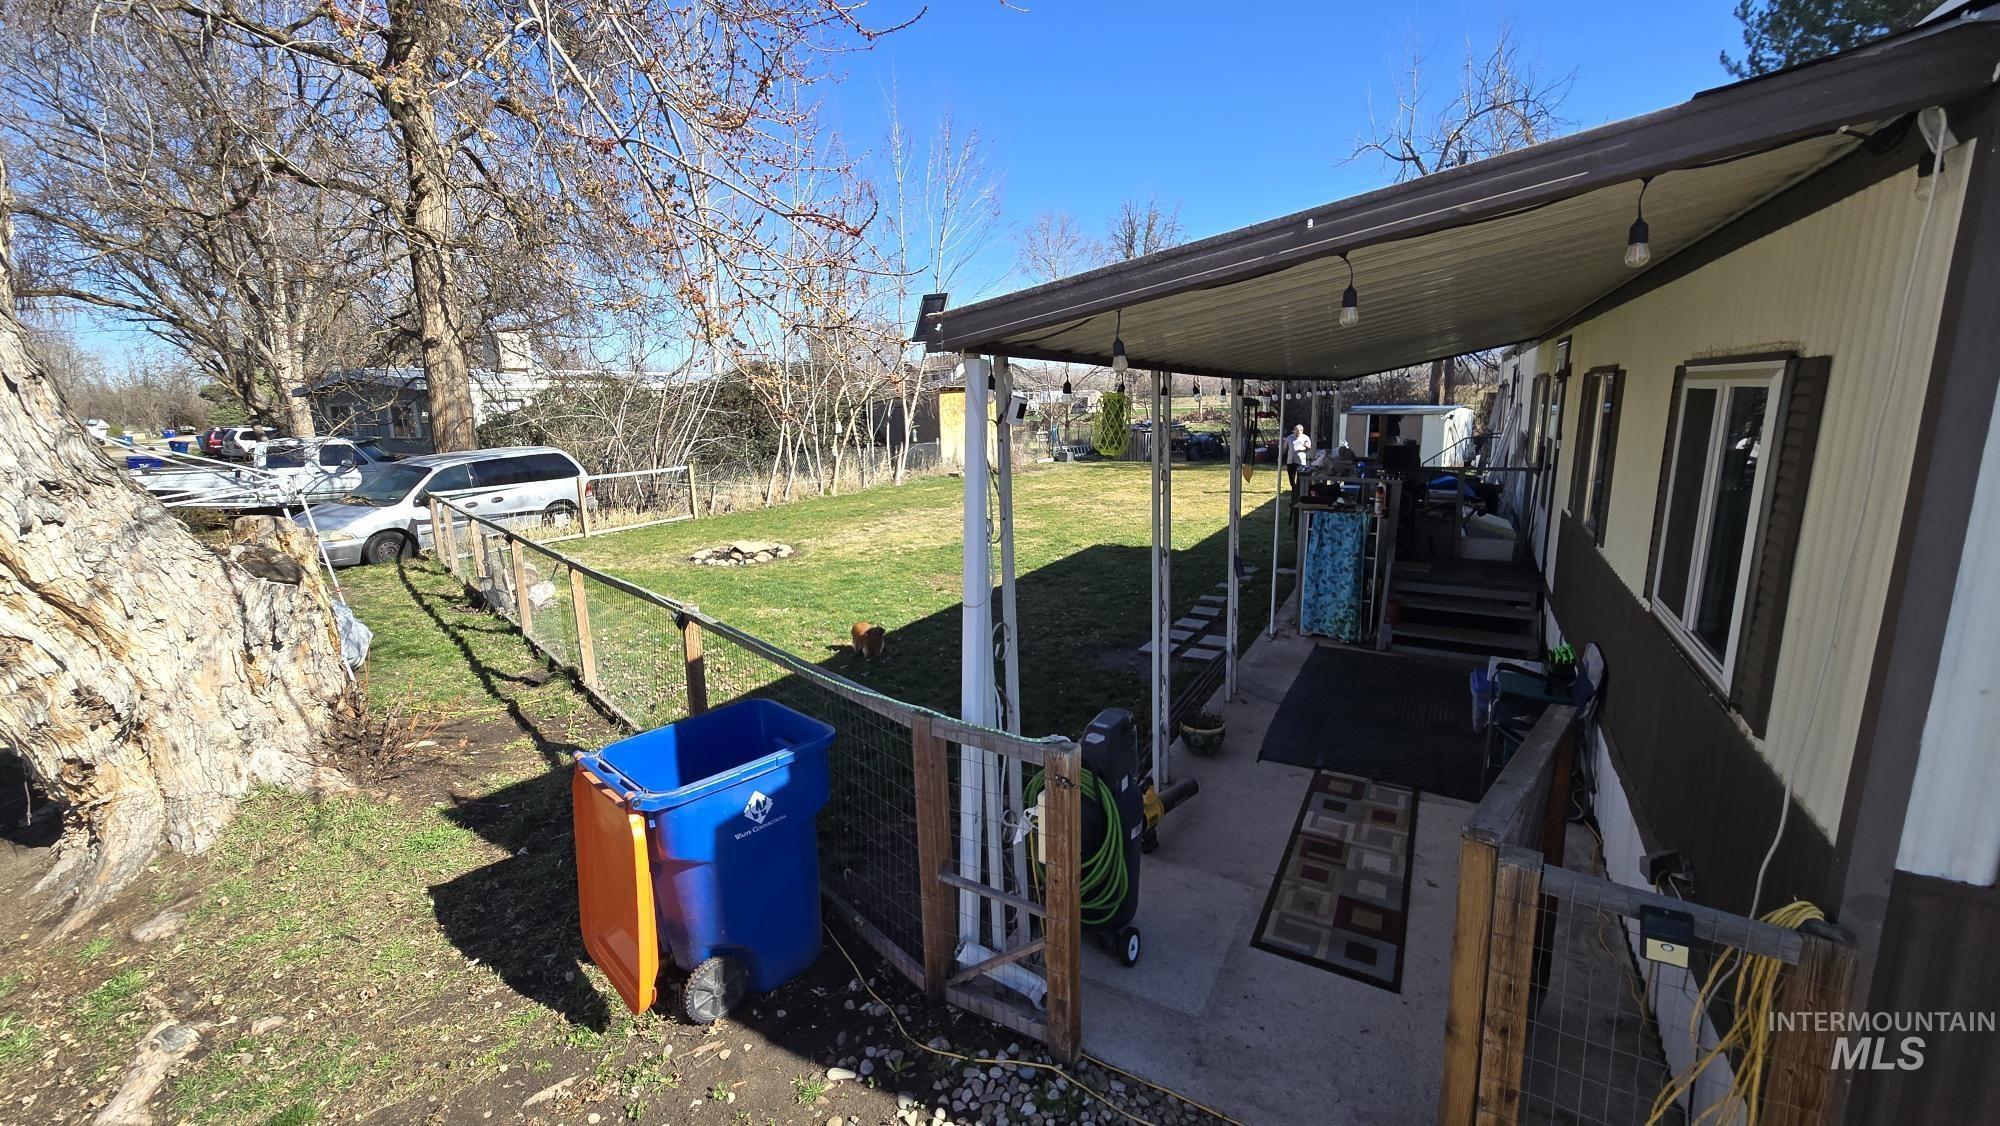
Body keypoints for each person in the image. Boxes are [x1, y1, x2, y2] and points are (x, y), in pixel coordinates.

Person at [1284, 424, 1313, 490]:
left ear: (1302, 431)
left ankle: (1298, 489)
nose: (1298, 434)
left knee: (1300, 477)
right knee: (1291, 476)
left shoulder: (1306, 438)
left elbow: (1309, 447)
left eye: (1300, 432)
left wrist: (1307, 446)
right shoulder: (1289, 438)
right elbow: (1284, 448)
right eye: (1296, 432)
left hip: (1301, 461)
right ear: (1293, 431)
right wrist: (1280, 456)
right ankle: (1293, 487)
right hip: (1291, 460)